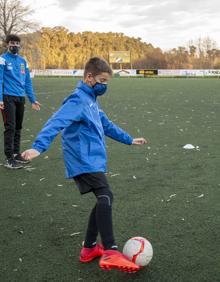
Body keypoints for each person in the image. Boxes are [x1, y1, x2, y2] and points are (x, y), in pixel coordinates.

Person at [22, 57, 147, 273]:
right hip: (82, 159)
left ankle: (89, 248)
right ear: (89, 77)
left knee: (103, 198)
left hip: (92, 159)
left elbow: (106, 124)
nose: (104, 85)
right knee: (106, 195)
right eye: (102, 80)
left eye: (107, 82)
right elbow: (56, 122)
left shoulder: (91, 100)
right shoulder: (77, 100)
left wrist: (129, 139)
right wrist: (38, 147)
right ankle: (110, 250)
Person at [0, 34, 41, 169]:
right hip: (7, 98)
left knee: (18, 127)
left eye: (17, 43)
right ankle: (9, 158)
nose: (15, 46)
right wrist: (0, 98)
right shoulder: (2, 59)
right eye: (12, 43)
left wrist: (33, 99)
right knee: (10, 127)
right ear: (7, 44)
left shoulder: (23, 61)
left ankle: (17, 154)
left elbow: (28, 82)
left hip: (20, 98)